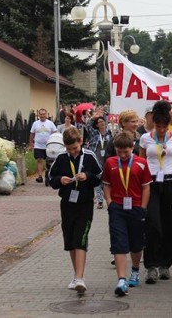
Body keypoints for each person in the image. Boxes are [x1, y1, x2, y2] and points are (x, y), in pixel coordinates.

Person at [48, 126, 102, 294]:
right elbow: (51, 178)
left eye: (75, 148)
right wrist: (60, 180)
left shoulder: (89, 156)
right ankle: (76, 274)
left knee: (81, 237)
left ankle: (80, 277)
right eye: (69, 149)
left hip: (85, 203)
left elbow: (99, 176)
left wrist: (87, 176)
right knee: (71, 239)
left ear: (81, 142)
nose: (72, 152)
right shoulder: (62, 158)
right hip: (67, 203)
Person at [139, 100, 172, 284]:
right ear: (153, 124)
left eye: (164, 126)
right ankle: (151, 265)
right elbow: (141, 162)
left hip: (168, 181)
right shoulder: (145, 139)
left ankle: (165, 264)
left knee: (168, 224)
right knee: (153, 224)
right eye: (158, 126)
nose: (161, 130)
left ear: (169, 125)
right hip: (151, 183)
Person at [103, 131, 153, 296]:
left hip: (136, 207)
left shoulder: (141, 163)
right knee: (119, 242)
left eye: (126, 151)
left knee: (136, 244)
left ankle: (136, 269)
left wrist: (143, 207)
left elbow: (146, 186)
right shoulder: (110, 162)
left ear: (133, 148)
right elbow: (107, 184)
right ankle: (121, 280)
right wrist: (109, 202)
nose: (123, 155)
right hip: (117, 208)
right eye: (119, 152)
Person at [85, 115, 112, 209]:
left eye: (103, 121)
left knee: (106, 179)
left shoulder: (109, 132)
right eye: (99, 122)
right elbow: (87, 126)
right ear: (96, 125)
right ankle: (100, 201)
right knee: (97, 178)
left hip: (106, 157)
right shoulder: (94, 133)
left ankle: (108, 198)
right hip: (96, 156)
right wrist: (93, 117)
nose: (102, 123)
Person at [29, 108, 57, 183]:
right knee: (39, 160)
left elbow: (55, 133)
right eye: (41, 114)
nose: (42, 116)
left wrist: (54, 142)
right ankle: (40, 176)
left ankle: (49, 175)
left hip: (48, 146)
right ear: (39, 115)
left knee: (49, 161)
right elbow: (32, 134)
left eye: (43, 114)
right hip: (38, 145)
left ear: (46, 115)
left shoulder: (50, 123)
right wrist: (31, 144)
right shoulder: (35, 124)